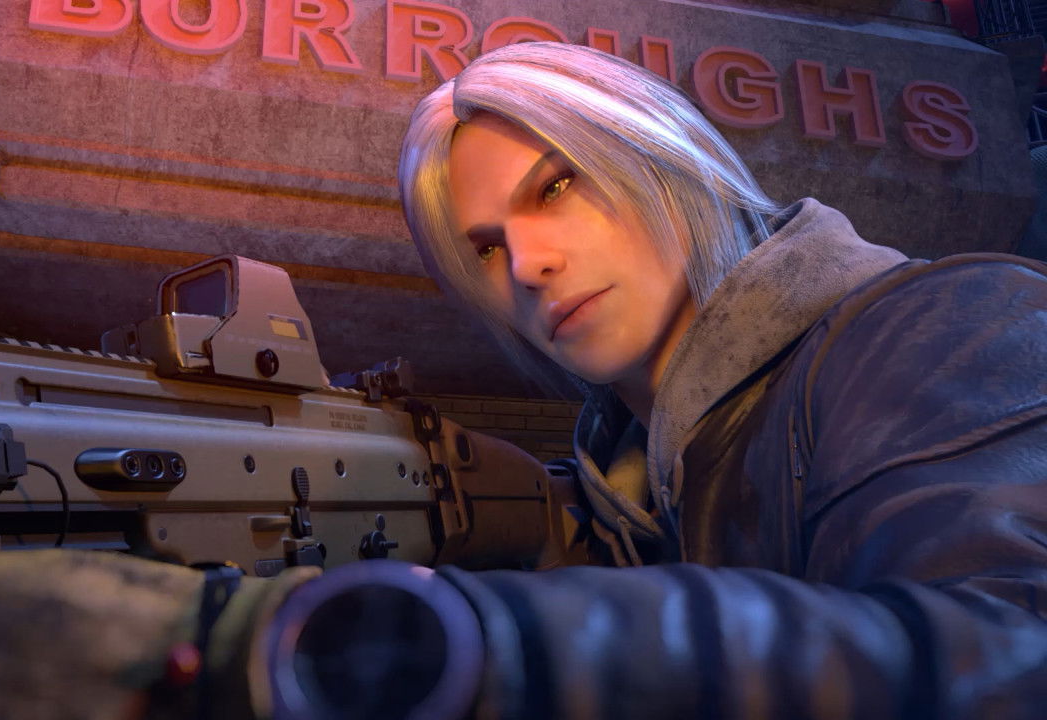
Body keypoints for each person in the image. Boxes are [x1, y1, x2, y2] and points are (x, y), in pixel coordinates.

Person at [394, 41, 1047, 718]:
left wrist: (514, 644)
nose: (526, 265)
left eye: (555, 187)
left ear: (661, 156)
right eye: (488, 248)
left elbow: (1008, 661)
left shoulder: (954, 325)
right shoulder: (626, 494)